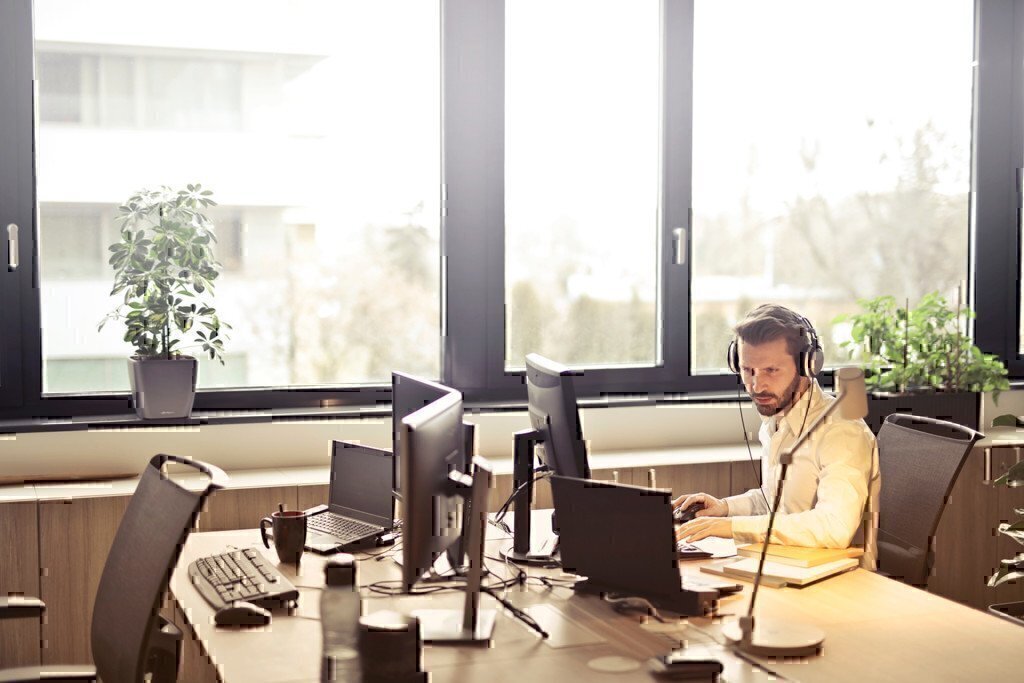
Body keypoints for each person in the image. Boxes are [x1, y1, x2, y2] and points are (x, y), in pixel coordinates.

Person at [675, 304, 879, 568]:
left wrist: (731, 526)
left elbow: (835, 527)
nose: (757, 386)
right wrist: (724, 508)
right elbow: (776, 501)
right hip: (785, 563)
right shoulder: (777, 419)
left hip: (837, 578)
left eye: (771, 370)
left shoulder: (842, 431)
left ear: (808, 365)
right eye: (748, 371)